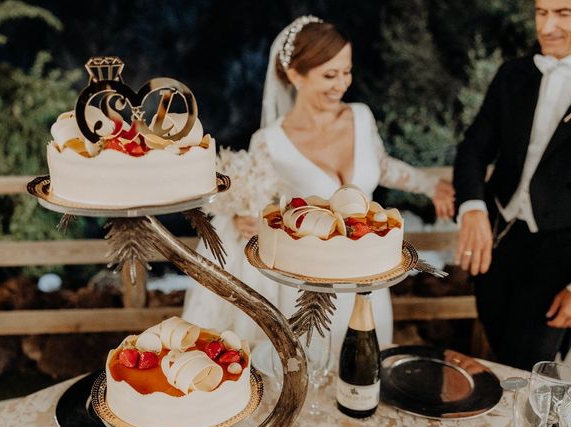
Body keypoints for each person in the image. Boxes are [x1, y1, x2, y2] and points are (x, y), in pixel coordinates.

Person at [183, 16, 454, 351]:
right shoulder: (269, 141)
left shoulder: (361, 116)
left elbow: (382, 167)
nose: (341, 84)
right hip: (308, 292)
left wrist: (430, 185)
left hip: (368, 280)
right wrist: (243, 221)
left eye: (347, 72)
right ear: (295, 75)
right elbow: (259, 209)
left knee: (363, 367)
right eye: (330, 75)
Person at [453, 0, 571, 370]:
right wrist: (472, 207)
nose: (547, 27)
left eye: (563, 14)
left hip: (560, 258)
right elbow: (473, 148)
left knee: (529, 369)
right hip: (499, 242)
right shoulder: (512, 75)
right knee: (500, 349)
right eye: (541, 12)